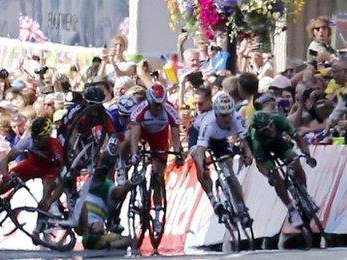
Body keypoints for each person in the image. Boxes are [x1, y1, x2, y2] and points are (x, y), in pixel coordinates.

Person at [0, 117, 65, 213]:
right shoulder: (28, 139)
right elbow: (6, 160)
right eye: (34, 137)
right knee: (5, 184)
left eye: (40, 139)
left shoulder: (56, 146)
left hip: (50, 169)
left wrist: (49, 201)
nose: (36, 141)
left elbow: (63, 179)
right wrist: (5, 175)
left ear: (47, 136)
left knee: (47, 190)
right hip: (33, 164)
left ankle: (43, 214)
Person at [190, 92, 253, 226]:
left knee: (228, 167)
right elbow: (200, 151)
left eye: (229, 114)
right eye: (224, 116)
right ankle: (214, 201)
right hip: (198, 135)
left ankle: (241, 208)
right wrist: (202, 167)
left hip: (219, 138)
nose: (227, 118)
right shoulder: (208, 124)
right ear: (216, 113)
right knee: (199, 164)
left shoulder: (237, 118)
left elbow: (245, 141)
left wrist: (248, 155)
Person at [129, 84, 183, 234]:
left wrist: (177, 153)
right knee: (131, 147)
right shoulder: (140, 111)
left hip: (159, 136)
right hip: (142, 133)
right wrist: (134, 155)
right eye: (155, 105)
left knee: (158, 177)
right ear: (148, 101)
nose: (158, 108)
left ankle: (157, 216)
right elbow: (134, 137)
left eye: (161, 105)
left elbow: (175, 134)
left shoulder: (170, 109)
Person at [249, 111, 317, 227]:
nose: (270, 130)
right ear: (260, 131)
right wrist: (269, 176)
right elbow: (260, 164)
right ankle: (291, 209)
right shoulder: (256, 138)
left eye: (271, 126)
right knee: (276, 176)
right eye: (265, 130)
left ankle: (305, 195)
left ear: (273, 121)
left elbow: (299, 139)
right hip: (263, 151)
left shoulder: (279, 120)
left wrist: (308, 156)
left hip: (278, 142)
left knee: (295, 160)